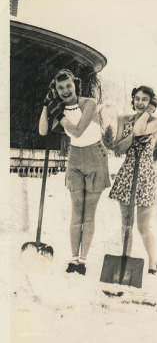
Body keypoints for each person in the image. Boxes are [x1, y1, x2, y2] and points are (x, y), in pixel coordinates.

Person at [39, 69, 110, 275]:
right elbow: (43, 130)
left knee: (89, 212)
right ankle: (73, 260)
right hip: (75, 157)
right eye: (60, 88)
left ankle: (83, 260)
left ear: (75, 85)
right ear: (55, 90)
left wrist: (58, 113)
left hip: (95, 156)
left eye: (68, 85)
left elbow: (78, 130)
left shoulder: (89, 103)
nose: (65, 90)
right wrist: (46, 104)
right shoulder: (58, 107)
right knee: (76, 210)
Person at [109, 86, 157, 274]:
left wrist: (146, 115)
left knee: (143, 227)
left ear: (151, 104)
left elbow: (140, 130)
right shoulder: (123, 119)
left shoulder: (156, 121)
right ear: (132, 100)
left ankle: (152, 261)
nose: (140, 102)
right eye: (137, 99)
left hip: (146, 176)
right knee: (126, 224)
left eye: (145, 100)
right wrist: (133, 136)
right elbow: (119, 149)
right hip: (127, 173)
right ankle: (126, 260)